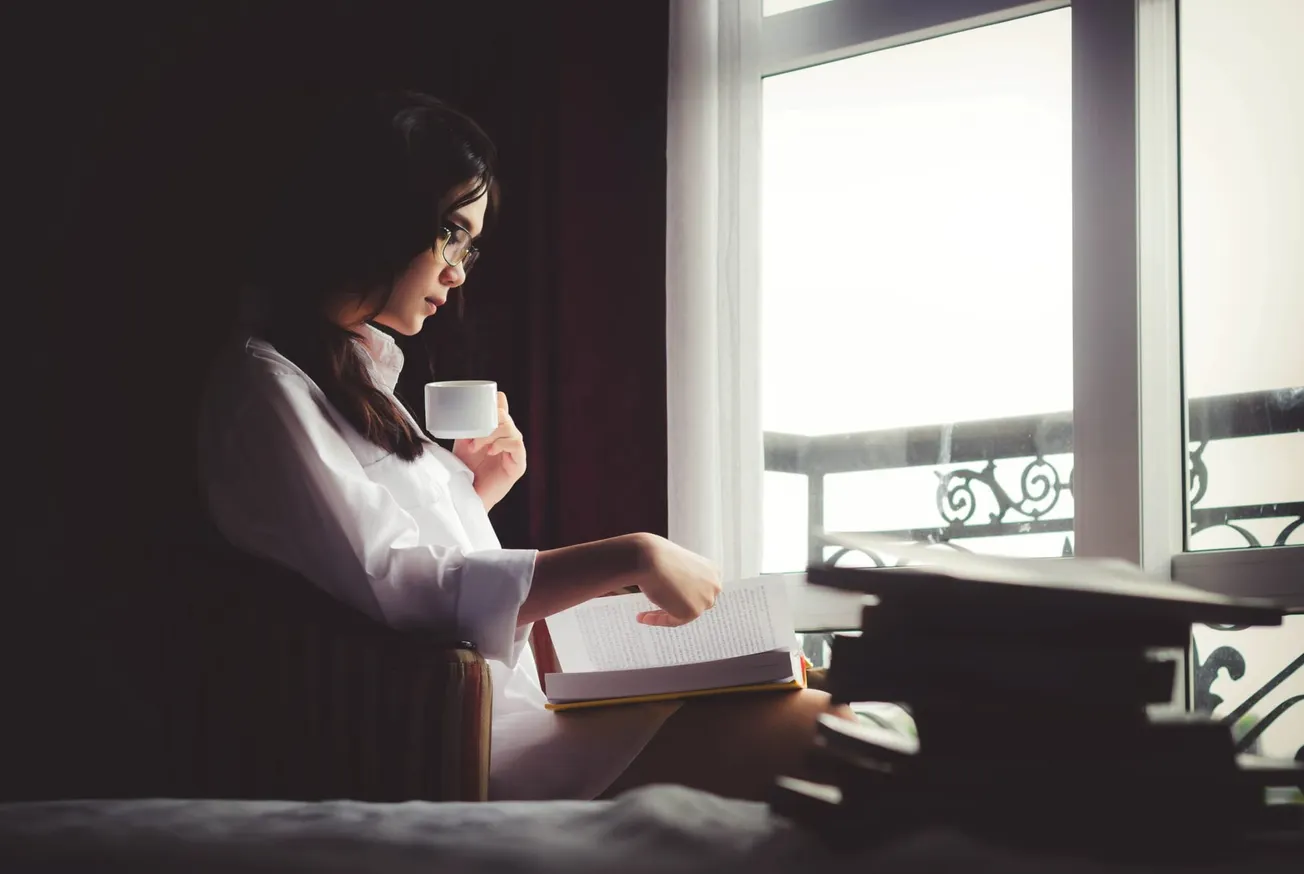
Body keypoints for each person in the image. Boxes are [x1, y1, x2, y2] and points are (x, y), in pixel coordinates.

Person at [198, 91, 844, 802]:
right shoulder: (266, 387)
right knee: (833, 733)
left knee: (829, 714)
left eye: (468, 246)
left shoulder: (353, 378)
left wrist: (474, 493)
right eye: (449, 232)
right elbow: (401, 587)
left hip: (508, 709)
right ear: (377, 212)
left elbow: (370, 563)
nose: (457, 271)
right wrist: (633, 554)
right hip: (470, 738)